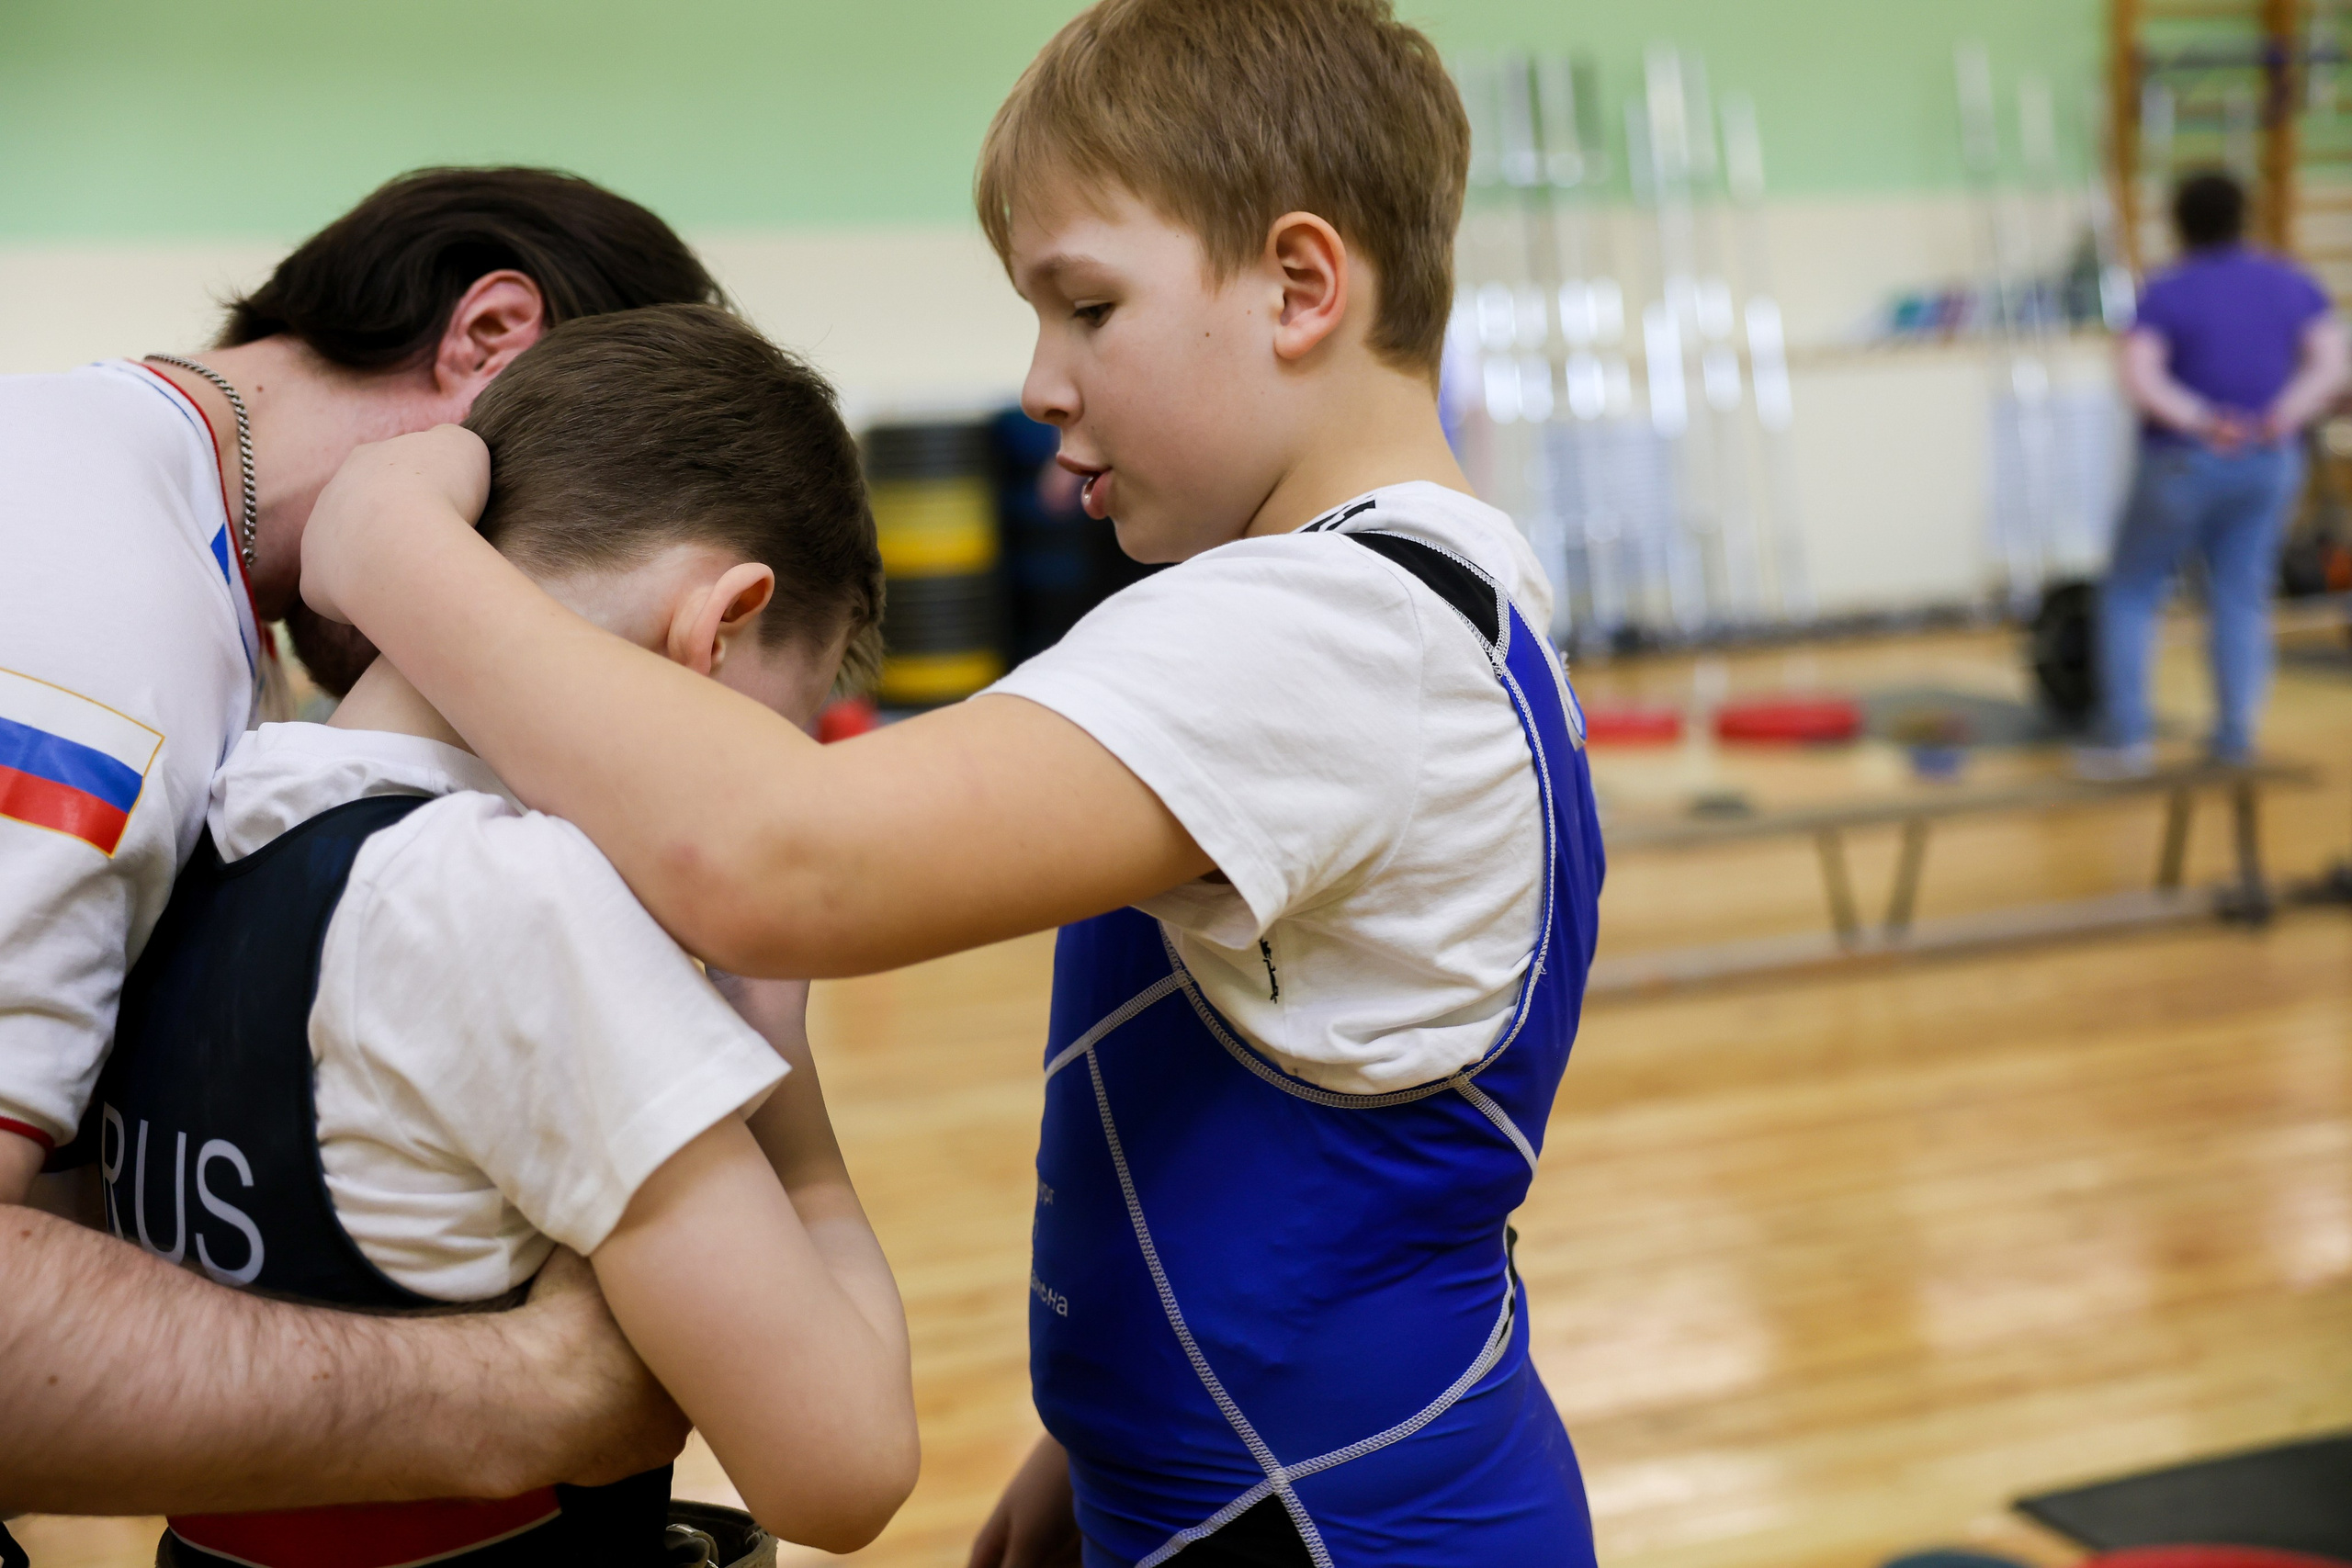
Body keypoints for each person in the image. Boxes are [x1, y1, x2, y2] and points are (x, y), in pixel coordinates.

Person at [300, 1, 1604, 1563]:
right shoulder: (1414, 604)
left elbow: (781, 859)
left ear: (1302, 286)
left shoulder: (1333, 630)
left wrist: (390, 545)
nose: (1043, 381)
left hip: (1349, 1524)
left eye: (1089, 306)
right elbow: (1309, 1132)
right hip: (1240, 1487)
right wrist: (1103, 1442)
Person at [90, 304, 913, 1567]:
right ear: (719, 627)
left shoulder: (213, 808)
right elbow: (842, 1465)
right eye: (778, 739)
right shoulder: (515, 897)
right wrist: (774, 1046)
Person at [0, 167, 720, 1521]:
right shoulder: (98, 620)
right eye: (585, 474)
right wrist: (536, 1386)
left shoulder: (133, 538)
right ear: (493, 337)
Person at [2086, 168, 2349, 777]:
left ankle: (2127, 737)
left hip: (2184, 462)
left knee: (2132, 589)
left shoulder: (2168, 292)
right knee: (2240, 595)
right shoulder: (2290, 283)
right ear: (2245, 215)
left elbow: (2140, 378)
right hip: (2269, 460)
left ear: (2178, 223)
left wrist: (2205, 420)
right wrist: (2284, 413)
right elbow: (2332, 365)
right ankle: (2235, 737)